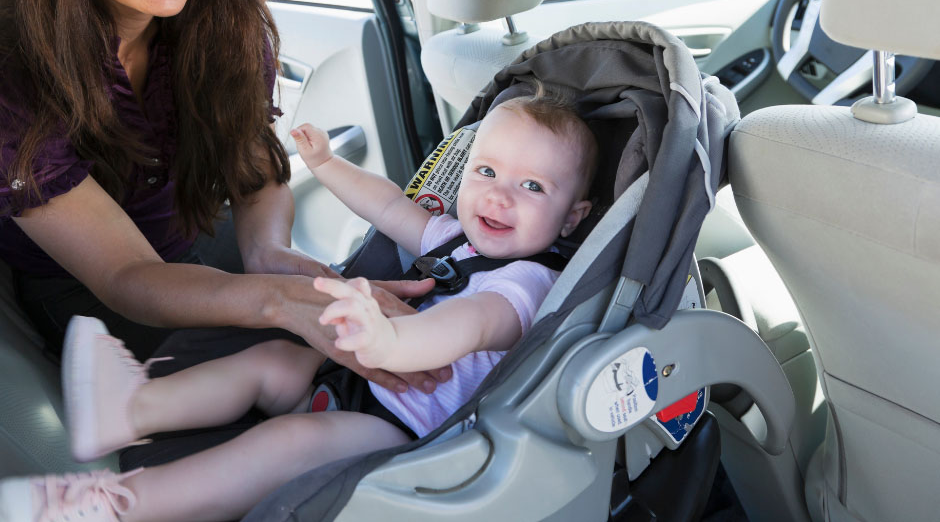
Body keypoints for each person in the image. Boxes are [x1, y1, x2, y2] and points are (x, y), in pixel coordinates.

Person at [0, 0, 438, 394]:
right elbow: (125, 274)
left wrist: (271, 258)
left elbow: (256, 178)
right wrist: (277, 303)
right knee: (309, 382)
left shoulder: (223, 30)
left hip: (194, 246)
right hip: (91, 295)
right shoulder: (12, 68)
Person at [0, 89, 598, 521]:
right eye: (487, 171)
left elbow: (470, 326)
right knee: (271, 364)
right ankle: (133, 408)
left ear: (573, 216)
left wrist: (391, 342)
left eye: (532, 186)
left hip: (405, 430)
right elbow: (390, 209)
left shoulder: (530, 282)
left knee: (287, 447)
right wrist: (327, 166)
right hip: (351, 376)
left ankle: (119, 504)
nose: (498, 193)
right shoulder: (456, 240)